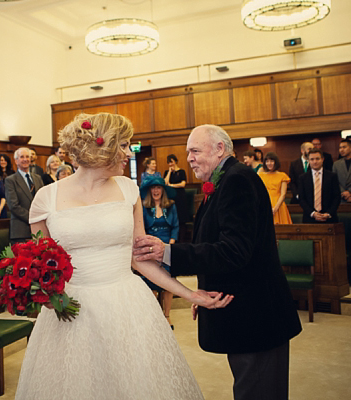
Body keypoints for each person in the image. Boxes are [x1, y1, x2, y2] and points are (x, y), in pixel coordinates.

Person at [15, 113, 232, 400]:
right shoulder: (45, 198)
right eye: (125, 145)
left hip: (126, 304)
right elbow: (43, 266)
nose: (129, 154)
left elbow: (139, 258)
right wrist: (42, 292)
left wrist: (191, 294)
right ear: (103, 148)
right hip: (70, 310)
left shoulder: (128, 189)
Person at [134, 124, 302, 400]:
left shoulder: (237, 180)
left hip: (255, 318)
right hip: (242, 313)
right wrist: (202, 292)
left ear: (219, 149)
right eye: (188, 152)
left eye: (195, 150)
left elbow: (233, 251)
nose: (189, 158)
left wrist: (167, 252)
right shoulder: (226, 180)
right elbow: (218, 245)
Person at [139, 175, 179, 329]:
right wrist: (149, 248)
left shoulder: (171, 206)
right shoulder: (144, 207)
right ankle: (155, 316)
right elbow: (142, 229)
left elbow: (175, 226)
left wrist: (170, 244)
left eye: (159, 187)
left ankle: (167, 316)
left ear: (163, 190)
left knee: (169, 281)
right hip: (150, 246)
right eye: (153, 188)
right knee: (151, 283)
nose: (156, 190)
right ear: (150, 190)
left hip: (168, 245)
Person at [5, 147, 44, 244]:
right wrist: (33, 218)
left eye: (27, 157)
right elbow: (13, 206)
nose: (25, 159)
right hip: (21, 231)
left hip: (39, 230)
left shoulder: (38, 178)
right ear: (16, 160)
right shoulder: (11, 180)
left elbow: (43, 200)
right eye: (22, 157)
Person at [298, 148, 340, 223]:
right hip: (309, 218)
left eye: (317, 159)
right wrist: (313, 213)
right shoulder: (303, 178)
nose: (315, 162)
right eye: (312, 159)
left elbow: (337, 197)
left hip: (329, 218)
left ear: (322, 159)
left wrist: (328, 213)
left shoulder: (332, 176)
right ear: (308, 161)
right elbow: (301, 199)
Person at [258, 152, 293, 224]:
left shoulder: (282, 175)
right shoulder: (261, 175)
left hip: (278, 205)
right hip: (265, 204)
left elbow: (283, 194)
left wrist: (275, 209)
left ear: (275, 162)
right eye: (267, 161)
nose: (269, 163)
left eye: (271, 161)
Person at [164, 154, 188, 243]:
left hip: (180, 197)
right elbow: (165, 182)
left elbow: (183, 184)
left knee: (181, 219)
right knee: (173, 218)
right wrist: (170, 172)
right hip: (170, 197)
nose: (170, 164)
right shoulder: (167, 172)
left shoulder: (181, 171)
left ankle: (181, 240)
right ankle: (173, 239)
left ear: (175, 161)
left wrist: (172, 185)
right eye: (169, 162)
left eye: (171, 162)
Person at [332, 138, 351, 203]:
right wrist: (344, 192)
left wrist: (349, 192)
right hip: (341, 197)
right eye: (340, 148)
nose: (341, 150)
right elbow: (334, 180)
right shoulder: (336, 164)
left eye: (344, 147)